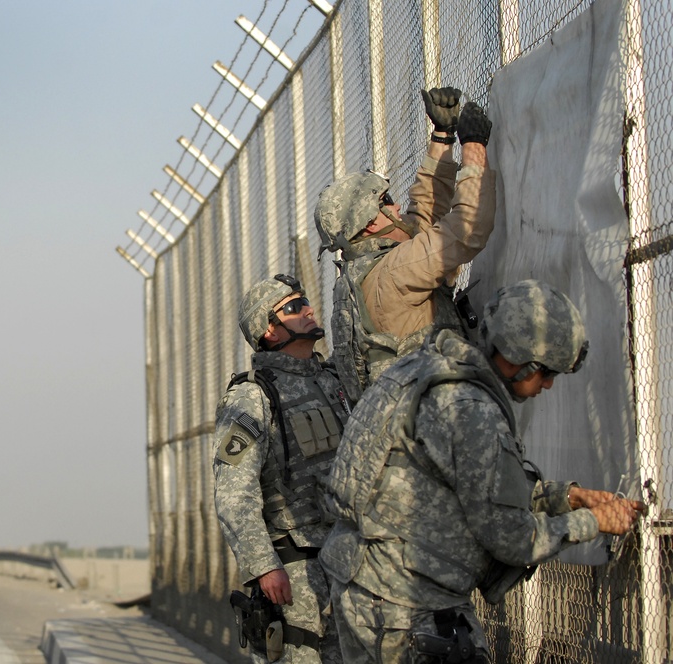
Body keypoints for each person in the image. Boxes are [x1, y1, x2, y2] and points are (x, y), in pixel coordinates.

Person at [317, 279, 645, 663]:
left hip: (363, 583)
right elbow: (514, 539)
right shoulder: (473, 411)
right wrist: (593, 522)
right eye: (547, 373)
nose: (550, 385)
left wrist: (567, 497)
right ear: (520, 361)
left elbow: (472, 483)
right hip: (407, 606)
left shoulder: (423, 369)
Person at [314, 87, 495, 398]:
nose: (397, 208)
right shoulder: (392, 273)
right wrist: (474, 148)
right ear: (370, 223)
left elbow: (422, 219)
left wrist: (442, 137)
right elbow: (466, 230)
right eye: (387, 201)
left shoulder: (368, 273)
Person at [213, 273, 353, 663]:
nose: (308, 309)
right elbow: (233, 495)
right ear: (269, 331)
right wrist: (263, 567)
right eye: (292, 308)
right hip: (295, 573)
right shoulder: (251, 396)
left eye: (305, 301)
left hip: (352, 560)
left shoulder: (337, 380)